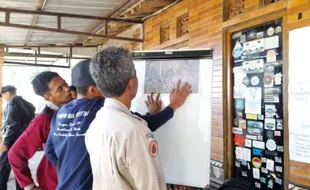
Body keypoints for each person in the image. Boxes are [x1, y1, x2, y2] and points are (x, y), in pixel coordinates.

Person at [45, 58, 191, 190]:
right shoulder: (100, 107)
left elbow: (50, 151)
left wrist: (72, 169)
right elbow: (140, 124)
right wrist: (173, 106)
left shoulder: (62, 111)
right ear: (93, 90)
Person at [86, 47, 192, 190]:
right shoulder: (134, 131)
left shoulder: (97, 123)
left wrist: (164, 109)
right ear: (130, 84)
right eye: (136, 74)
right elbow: (151, 186)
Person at [8, 72, 72, 190]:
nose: (67, 89)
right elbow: (15, 154)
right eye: (60, 89)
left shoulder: (74, 109)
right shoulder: (44, 120)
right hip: (54, 182)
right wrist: (29, 186)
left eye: (65, 83)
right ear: (47, 97)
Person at [0, 85, 35, 190]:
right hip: (23, 140)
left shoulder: (12, 104)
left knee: (2, 168)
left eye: (2, 96)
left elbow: (12, 125)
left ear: (7, 93)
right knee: (19, 166)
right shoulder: (26, 104)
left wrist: (5, 142)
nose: (3, 98)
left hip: (13, 141)